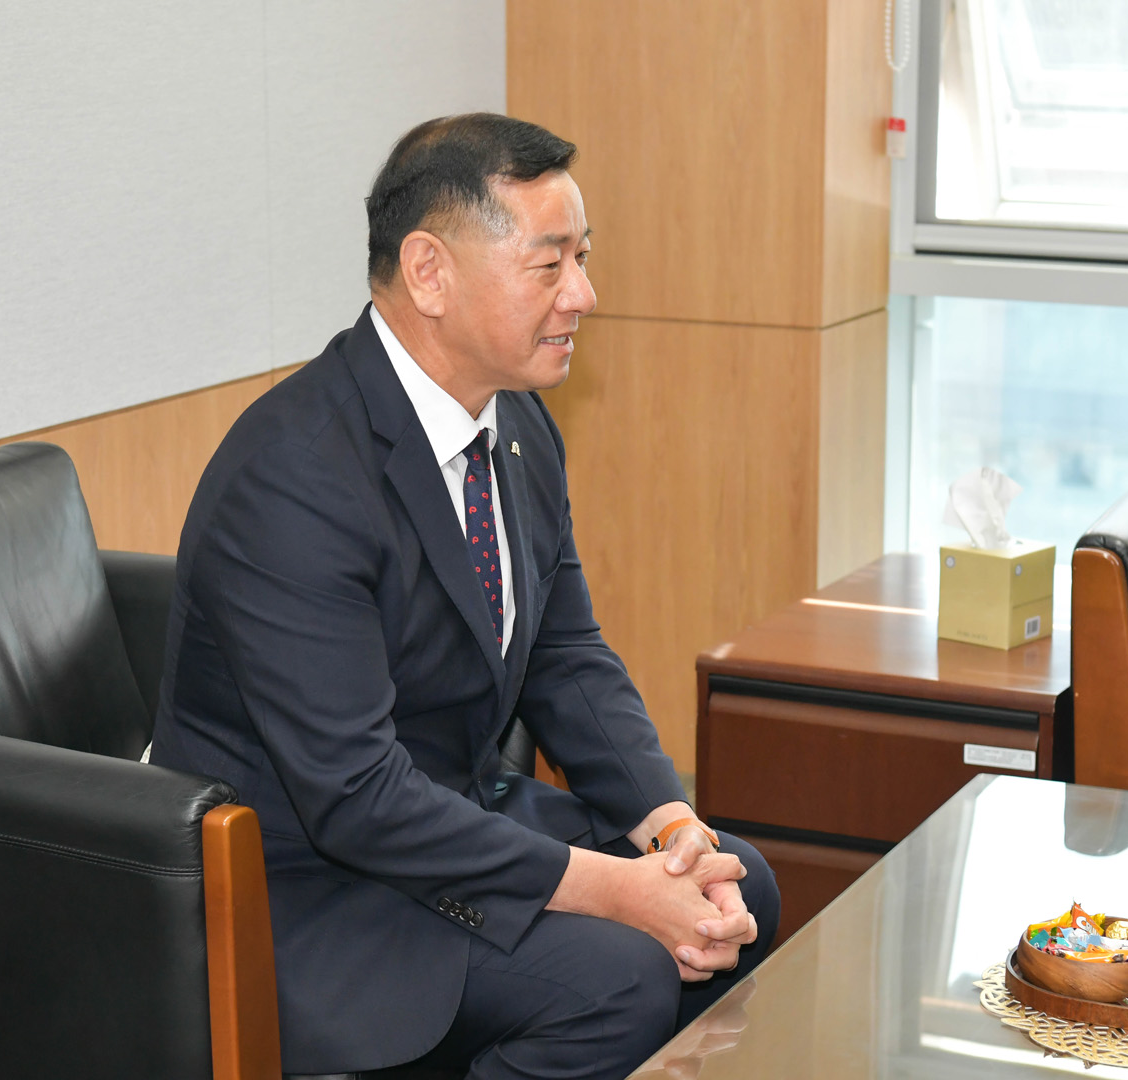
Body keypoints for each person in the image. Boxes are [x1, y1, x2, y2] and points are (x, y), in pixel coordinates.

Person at [149, 112, 779, 1080]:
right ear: (430, 273)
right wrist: (616, 889)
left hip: (455, 820)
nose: (583, 294)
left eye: (583, 258)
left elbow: (567, 660)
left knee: (745, 891)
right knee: (619, 982)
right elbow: (355, 797)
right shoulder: (294, 476)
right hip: (313, 891)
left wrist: (672, 830)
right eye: (549, 264)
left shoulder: (517, 426)